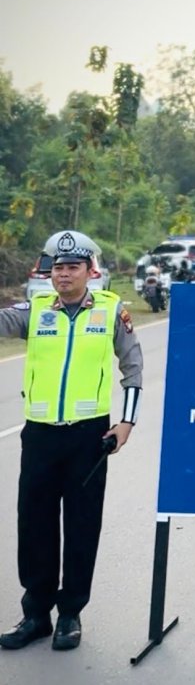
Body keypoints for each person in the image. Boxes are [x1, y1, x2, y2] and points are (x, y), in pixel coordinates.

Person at [0, 230, 143, 652]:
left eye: (72, 267)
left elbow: (133, 367)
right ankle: (36, 615)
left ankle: (70, 614)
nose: (63, 274)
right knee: (34, 525)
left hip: (88, 437)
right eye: (57, 268)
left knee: (81, 527)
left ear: (89, 271)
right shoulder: (36, 310)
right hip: (40, 436)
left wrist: (126, 423)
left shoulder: (111, 311)